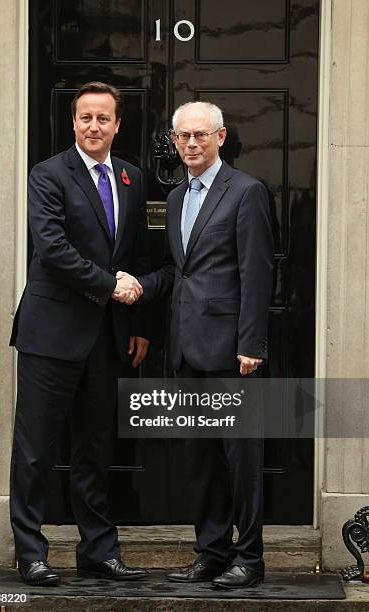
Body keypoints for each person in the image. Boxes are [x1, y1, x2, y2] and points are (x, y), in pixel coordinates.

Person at [117, 101, 274, 589]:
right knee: (200, 461)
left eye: (200, 135)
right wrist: (138, 287)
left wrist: (251, 343)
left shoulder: (246, 192)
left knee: (240, 460)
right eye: (182, 136)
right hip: (186, 349)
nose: (190, 144)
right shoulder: (178, 196)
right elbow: (177, 272)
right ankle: (211, 552)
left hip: (232, 351)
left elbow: (257, 272)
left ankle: (249, 558)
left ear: (220, 137)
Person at [9, 81, 149, 586]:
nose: (94, 126)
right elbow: (52, 248)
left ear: (117, 124)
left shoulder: (133, 177)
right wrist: (111, 286)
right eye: (85, 117)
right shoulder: (48, 175)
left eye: (103, 118)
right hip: (51, 335)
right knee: (36, 448)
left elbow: (132, 258)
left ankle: (99, 551)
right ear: (74, 122)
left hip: (107, 339)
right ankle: (31, 553)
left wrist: (134, 324)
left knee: (96, 448)